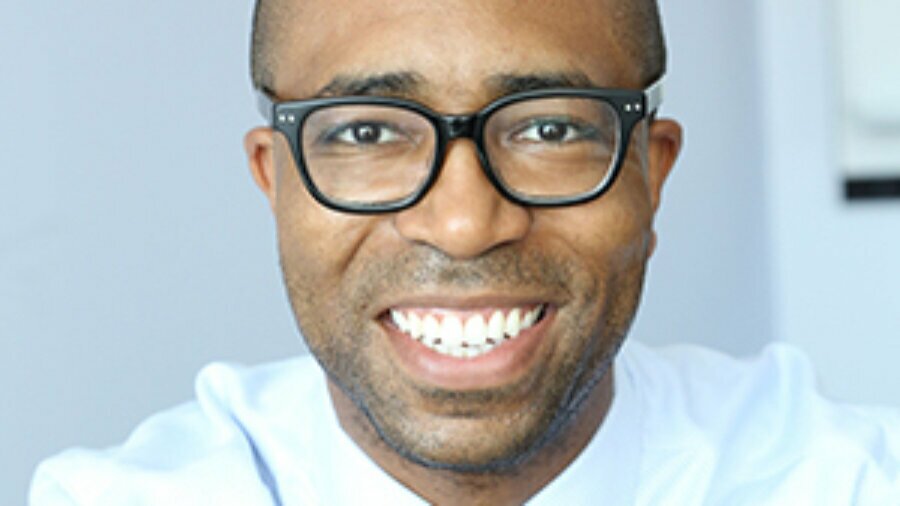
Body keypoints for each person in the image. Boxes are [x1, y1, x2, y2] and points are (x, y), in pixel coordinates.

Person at [30, 0, 899, 504]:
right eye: (369, 131)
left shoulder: (842, 484)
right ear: (275, 180)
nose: (464, 223)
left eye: (549, 127)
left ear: (651, 173)